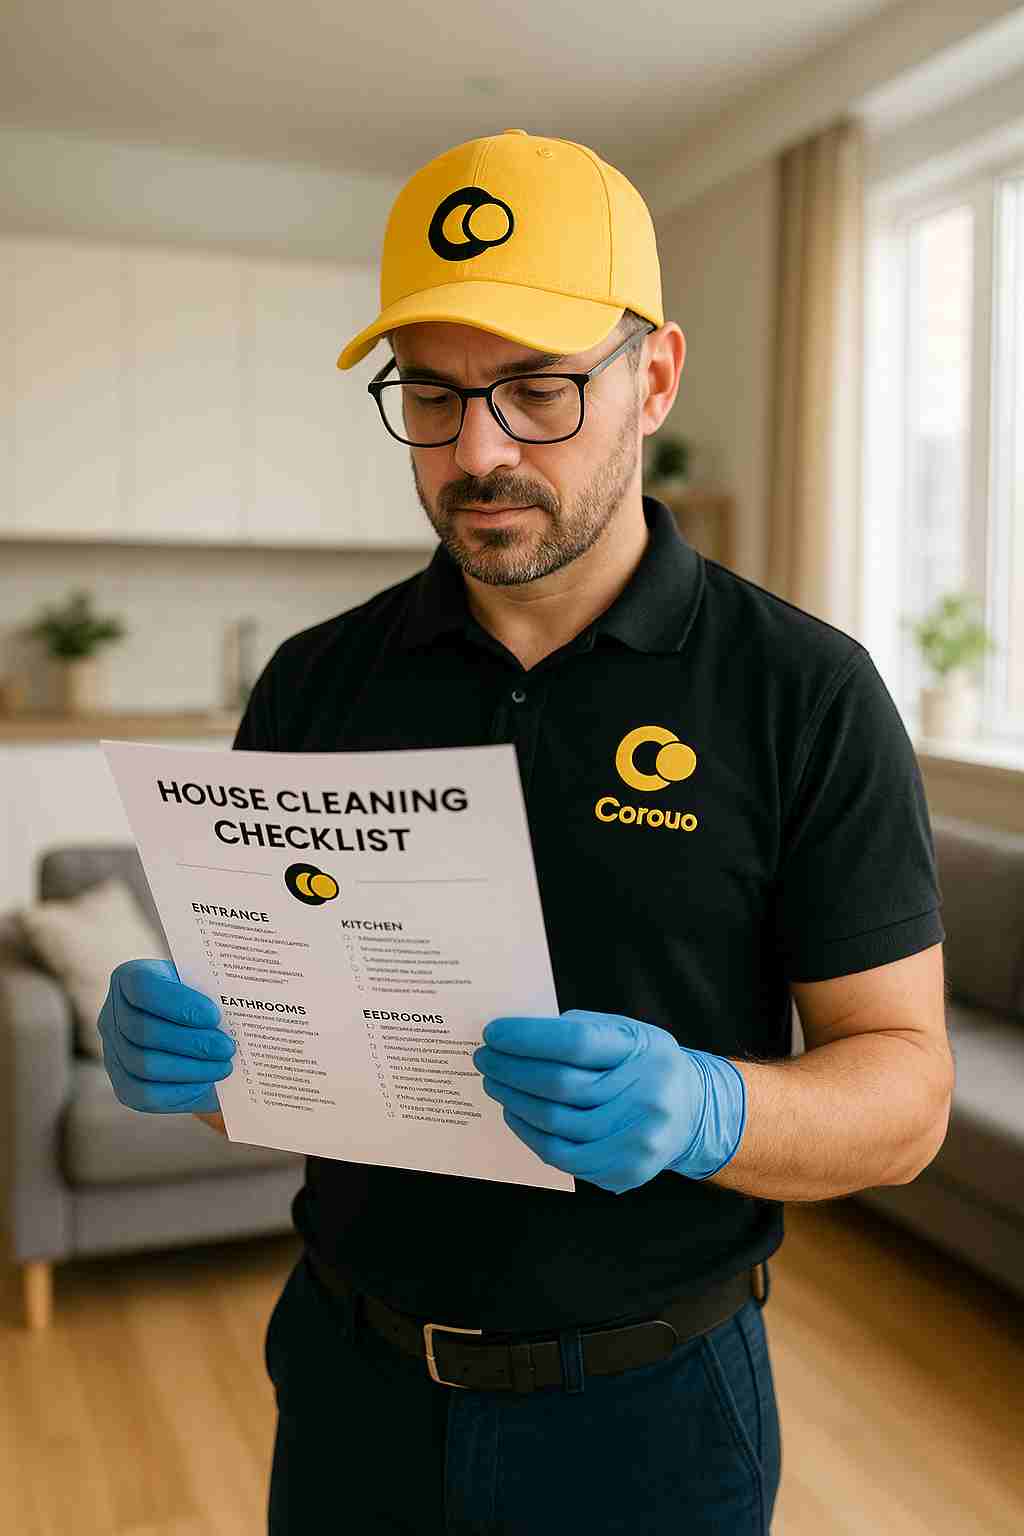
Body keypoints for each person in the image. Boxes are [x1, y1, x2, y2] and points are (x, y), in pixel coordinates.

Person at [99, 129, 948, 1535]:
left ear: (655, 376)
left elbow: (908, 1092)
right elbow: (285, 1057)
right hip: (348, 1376)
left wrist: (708, 1108)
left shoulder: (802, 689)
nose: (477, 451)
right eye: (430, 396)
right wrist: (203, 1064)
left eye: (538, 390)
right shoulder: (316, 678)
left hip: (652, 1413)